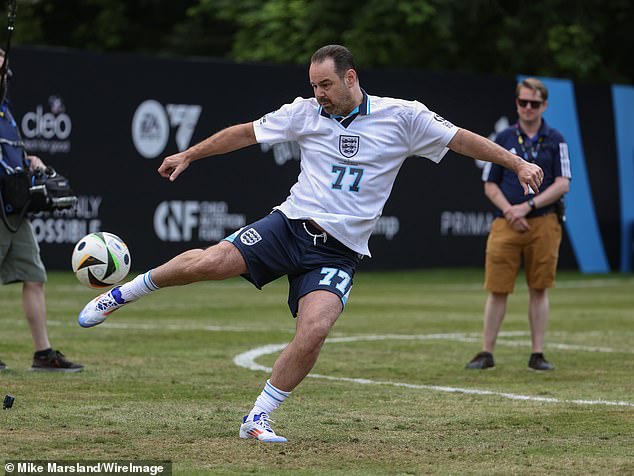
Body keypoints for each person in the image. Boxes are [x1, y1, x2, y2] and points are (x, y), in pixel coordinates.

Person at [78, 45, 543, 442]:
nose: (317, 94)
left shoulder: (404, 116)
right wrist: (189, 154)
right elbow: (244, 133)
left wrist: (517, 164)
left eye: (325, 85)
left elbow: (463, 142)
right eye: (314, 85)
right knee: (209, 262)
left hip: (338, 251)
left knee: (315, 329)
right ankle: (121, 293)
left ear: (350, 78)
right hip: (289, 225)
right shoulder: (305, 112)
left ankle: (257, 417)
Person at [466, 77, 571, 372]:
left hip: (543, 221)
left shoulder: (556, 139)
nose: (528, 108)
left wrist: (529, 206)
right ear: (517, 103)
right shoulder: (503, 138)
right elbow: (489, 184)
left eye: (534, 103)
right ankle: (486, 351)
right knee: (497, 288)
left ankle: (537, 353)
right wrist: (511, 211)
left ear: (544, 106)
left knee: (540, 287)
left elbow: (563, 183)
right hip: (506, 222)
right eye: (523, 102)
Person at [0, 48, 83, 372]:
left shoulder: (5, 111)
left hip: (13, 209)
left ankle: (43, 354)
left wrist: (29, 162)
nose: (4, 78)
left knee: (34, 277)